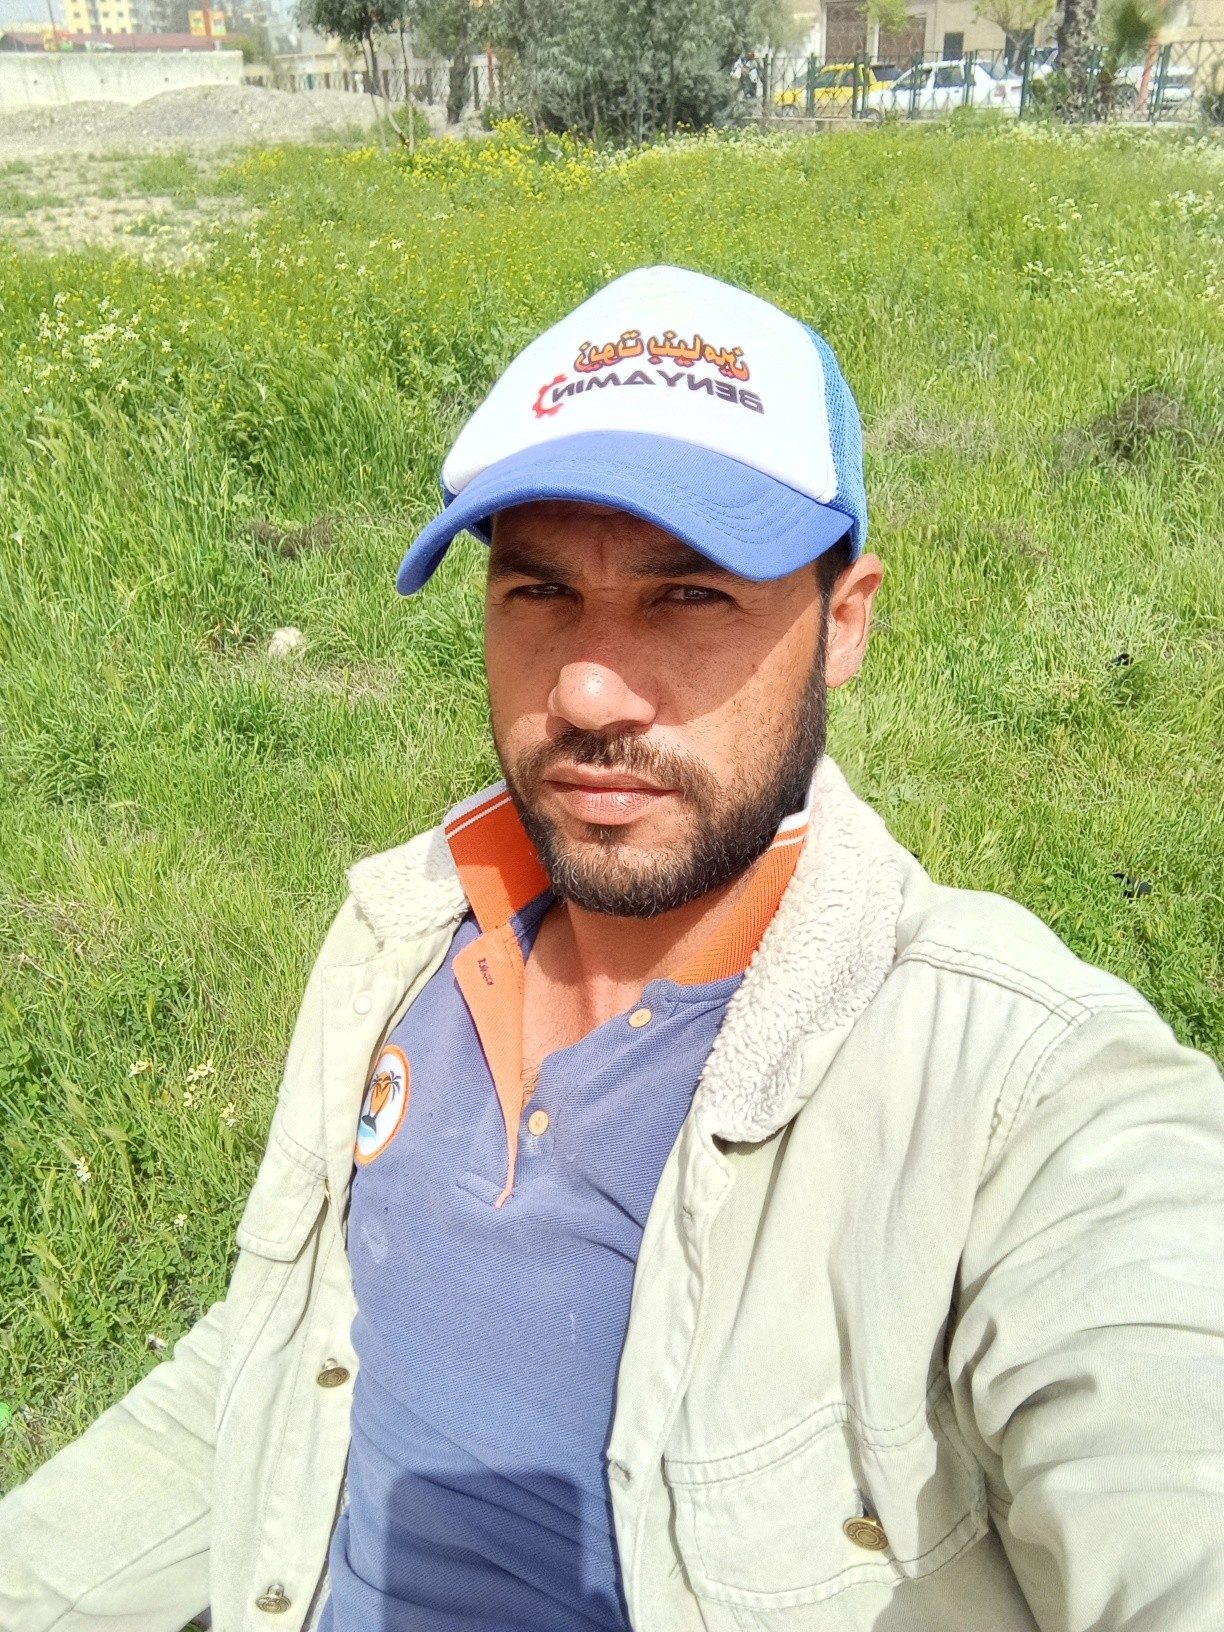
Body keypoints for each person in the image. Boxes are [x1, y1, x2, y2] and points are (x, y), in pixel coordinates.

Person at [2, 264, 1222, 1632]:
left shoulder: (1019, 1094)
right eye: (538, 590)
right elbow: (274, 1364)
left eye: (686, 595)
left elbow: (1165, 1433)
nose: (586, 689)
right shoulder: (402, 937)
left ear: (845, 621)